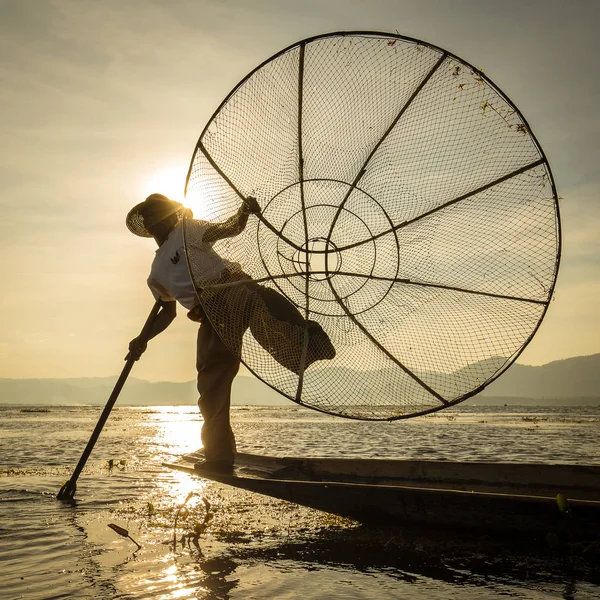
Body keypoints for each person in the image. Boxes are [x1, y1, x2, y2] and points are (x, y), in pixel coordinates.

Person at [125, 193, 334, 475]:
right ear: (147, 225)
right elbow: (167, 313)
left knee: (270, 321)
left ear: (169, 214)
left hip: (232, 288)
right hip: (211, 315)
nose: (152, 218)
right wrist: (143, 339)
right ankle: (219, 456)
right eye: (148, 214)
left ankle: (313, 342)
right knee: (211, 386)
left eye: (156, 211)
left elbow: (231, 227)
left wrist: (244, 211)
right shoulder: (156, 273)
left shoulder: (189, 229)